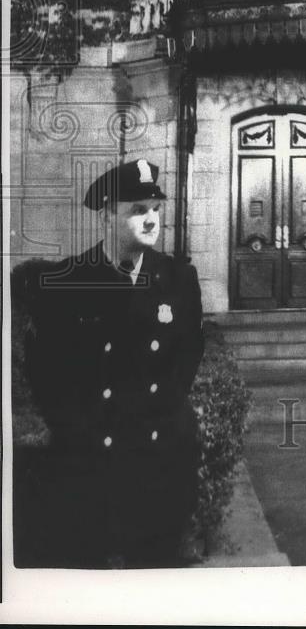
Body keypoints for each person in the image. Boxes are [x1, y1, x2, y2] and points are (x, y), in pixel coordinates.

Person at [23, 159, 204, 568]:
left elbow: (189, 353)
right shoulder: (70, 282)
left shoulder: (178, 278)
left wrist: (165, 413)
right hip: (92, 461)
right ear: (108, 215)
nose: (151, 220)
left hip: (160, 461)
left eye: (156, 209)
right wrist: (76, 429)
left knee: (155, 573)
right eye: (137, 210)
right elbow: (45, 372)